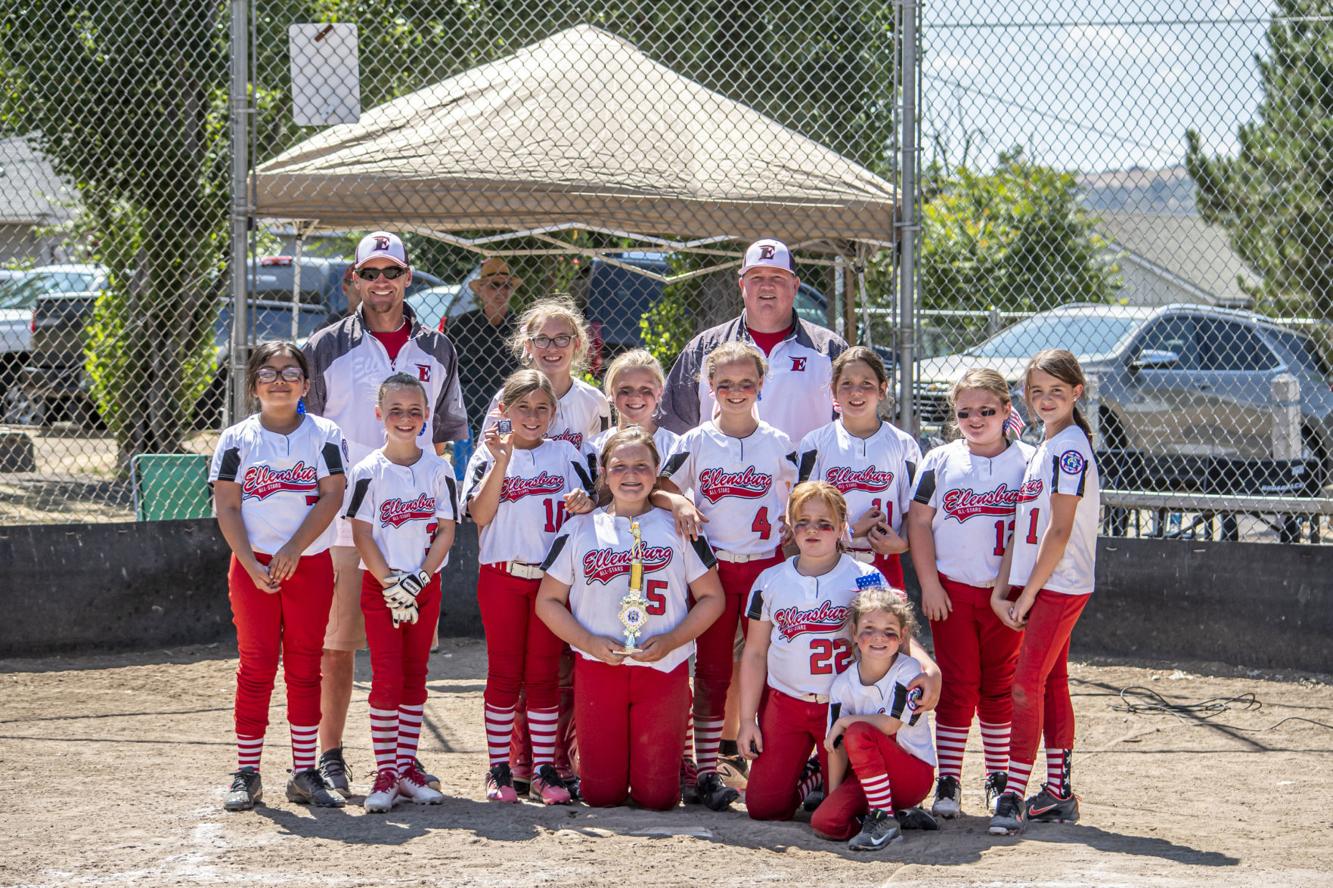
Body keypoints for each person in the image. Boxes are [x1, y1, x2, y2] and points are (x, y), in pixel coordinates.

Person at [302, 231, 468, 795]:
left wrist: (433, 519)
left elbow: (442, 438)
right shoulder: (325, 345)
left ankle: (401, 761)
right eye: (369, 272)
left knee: (407, 652)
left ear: (407, 278)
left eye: (390, 272)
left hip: (415, 526)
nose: (380, 283)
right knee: (339, 642)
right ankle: (330, 752)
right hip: (349, 523)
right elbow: (309, 435)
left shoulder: (438, 348)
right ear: (354, 280)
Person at [535, 426, 726, 810]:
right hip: (599, 666)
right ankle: (576, 747)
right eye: (619, 466)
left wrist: (672, 641)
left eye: (642, 466)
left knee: (658, 798)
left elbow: (712, 598)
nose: (631, 474)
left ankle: (672, 757)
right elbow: (548, 602)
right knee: (600, 796)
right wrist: (588, 643)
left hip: (663, 667)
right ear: (603, 472)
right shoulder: (580, 528)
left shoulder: (679, 526)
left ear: (657, 473)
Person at [737, 482, 941, 823]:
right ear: (789, 525)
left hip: (846, 703)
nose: (812, 530)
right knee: (764, 808)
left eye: (824, 523)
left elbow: (895, 637)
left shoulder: (865, 578)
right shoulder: (768, 581)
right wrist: (746, 721)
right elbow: (755, 653)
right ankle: (811, 775)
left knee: (845, 804)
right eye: (802, 521)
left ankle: (826, 773)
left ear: (843, 527)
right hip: (787, 701)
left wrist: (928, 666)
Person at [210, 342, 347, 811]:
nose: (280, 380)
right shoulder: (235, 439)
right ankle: (247, 772)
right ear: (253, 386)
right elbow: (227, 505)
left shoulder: (325, 434)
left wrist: (293, 548)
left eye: (291, 372)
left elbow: (332, 496)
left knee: (306, 665)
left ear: (306, 385)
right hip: (253, 566)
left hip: (308, 563)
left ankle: (304, 773)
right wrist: (251, 563)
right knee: (257, 664)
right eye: (268, 372)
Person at [659, 342, 796, 810]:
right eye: (724, 384)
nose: (735, 392)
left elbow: (806, 492)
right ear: (709, 387)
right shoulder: (695, 440)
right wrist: (678, 500)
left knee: (771, 668)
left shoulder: (778, 442)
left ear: (762, 385)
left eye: (745, 383)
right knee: (714, 670)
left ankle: (767, 763)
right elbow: (659, 487)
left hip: (765, 568)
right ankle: (705, 770)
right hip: (712, 570)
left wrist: (795, 524)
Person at [461, 370, 595, 805]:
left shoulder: (566, 455)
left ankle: (542, 768)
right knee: (503, 673)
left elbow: (586, 510)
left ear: (554, 414)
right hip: (501, 575)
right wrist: (502, 460)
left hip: (550, 581)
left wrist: (584, 503)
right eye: (523, 407)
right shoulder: (488, 453)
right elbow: (480, 515)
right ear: (505, 410)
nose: (533, 416)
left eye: (542, 408)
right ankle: (498, 765)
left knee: (542, 676)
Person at [907, 368, 1035, 819]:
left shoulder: (1029, 459)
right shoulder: (940, 459)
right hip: (954, 592)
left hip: (1008, 595)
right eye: (965, 413)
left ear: (1006, 411)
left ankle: (998, 777)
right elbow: (919, 522)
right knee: (958, 686)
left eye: (986, 411)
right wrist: (930, 584)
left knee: (1000, 688)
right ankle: (949, 778)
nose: (976, 420)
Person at [988, 349, 1100, 836]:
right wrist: (1002, 590)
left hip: (1059, 584)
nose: (1045, 399)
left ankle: (1012, 793)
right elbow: (1024, 528)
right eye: (1037, 391)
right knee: (1051, 683)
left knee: (1023, 684)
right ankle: (1058, 793)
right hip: (1041, 584)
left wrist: (1028, 594)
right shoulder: (1045, 447)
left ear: (1077, 392)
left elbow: (1059, 530)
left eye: (1057, 390)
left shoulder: (1070, 448)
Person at [344, 373, 458, 813]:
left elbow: (447, 529)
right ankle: (386, 771)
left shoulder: (439, 469)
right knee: (386, 679)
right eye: (396, 411)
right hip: (382, 587)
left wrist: (421, 579)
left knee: (415, 675)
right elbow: (361, 531)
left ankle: (407, 768)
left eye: (415, 411)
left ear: (427, 415)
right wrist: (391, 581)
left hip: (424, 587)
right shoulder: (368, 471)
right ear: (379, 415)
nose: (406, 419)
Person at [658, 238, 847, 444]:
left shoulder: (829, 350)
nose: (767, 286)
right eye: (756, 277)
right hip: (723, 475)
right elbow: (673, 430)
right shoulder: (705, 348)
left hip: (804, 476)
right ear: (742, 285)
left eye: (777, 277)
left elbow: (853, 428)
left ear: (795, 286)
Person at [812, 588, 938, 851]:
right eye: (869, 628)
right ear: (854, 634)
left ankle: (885, 818)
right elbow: (835, 748)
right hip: (870, 776)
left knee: (858, 731)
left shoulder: (909, 670)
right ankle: (892, 816)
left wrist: (845, 722)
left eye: (889, 630)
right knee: (825, 822)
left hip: (912, 775)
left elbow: (890, 725)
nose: (879, 637)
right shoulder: (843, 684)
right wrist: (833, 798)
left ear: (902, 636)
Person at [796, 346, 920, 590]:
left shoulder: (903, 444)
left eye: (867, 384)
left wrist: (903, 542)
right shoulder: (816, 443)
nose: (856, 392)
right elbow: (800, 511)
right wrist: (849, 532)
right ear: (833, 391)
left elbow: (914, 512)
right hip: (828, 562)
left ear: (883, 390)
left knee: (882, 626)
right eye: (846, 384)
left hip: (883, 561)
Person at [482, 297, 610, 449]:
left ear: (576, 344)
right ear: (528, 345)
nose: (552, 348)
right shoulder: (508, 399)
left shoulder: (593, 400)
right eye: (542, 339)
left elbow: (603, 458)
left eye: (562, 338)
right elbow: (489, 457)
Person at [448, 258, 522, 435]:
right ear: (480, 290)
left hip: (508, 416)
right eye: (494, 285)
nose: (501, 291)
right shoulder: (461, 326)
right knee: (465, 460)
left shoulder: (521, 327)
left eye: (506, 286)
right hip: (468, 418)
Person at [587, 348, 680, 461]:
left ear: (660, 391)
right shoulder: (593, 448)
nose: (635, 396)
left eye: (645, 389)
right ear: (612, 392)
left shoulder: (676, 448)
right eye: (626, 389)